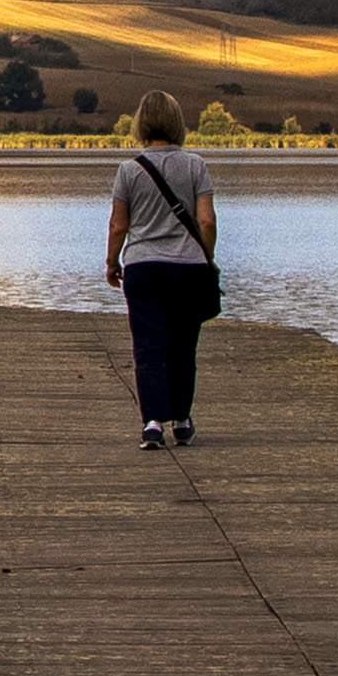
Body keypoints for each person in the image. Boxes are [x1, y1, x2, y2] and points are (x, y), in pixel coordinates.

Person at [105, 91, 218, 449]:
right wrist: (206, 258)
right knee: (184, 346)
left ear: (141, 123)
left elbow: (118, 226)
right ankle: (182, 420)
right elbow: (207, 220)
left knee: (148, 346)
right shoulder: (195, 165)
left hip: (143, 268)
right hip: (188, 268)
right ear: (176, 122)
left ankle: (153, 423)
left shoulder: (129, 169)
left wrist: (112, 262)